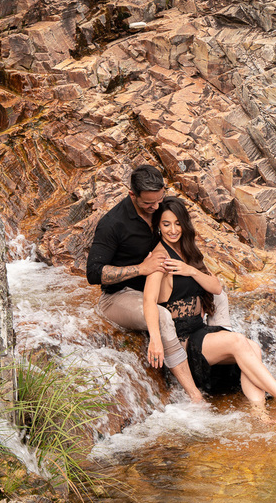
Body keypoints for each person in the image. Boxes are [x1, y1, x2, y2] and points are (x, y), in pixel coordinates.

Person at [142, 197, 276, 413]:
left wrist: (190, 270)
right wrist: (155, 339)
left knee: (254, 347)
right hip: (184, 343)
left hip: (200, 333)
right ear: (158, 227)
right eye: (166, 224)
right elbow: (148, 301)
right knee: (238, 341)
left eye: (177, 223)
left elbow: (216, 287)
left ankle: (260, 414)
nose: (173, 230)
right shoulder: (160, 259)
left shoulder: (187, 252)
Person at [86, 165, 230, 402]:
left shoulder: (161, 208)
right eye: (148, 204)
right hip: (118, 296)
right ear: (133, 195)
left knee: (217, 294)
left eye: (159, 200)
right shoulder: (113, 224)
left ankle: (217, 351)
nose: (155, 208)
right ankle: (195, 396)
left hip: (156, 288)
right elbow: (93, 273)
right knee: (162, 316)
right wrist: (141, 269)